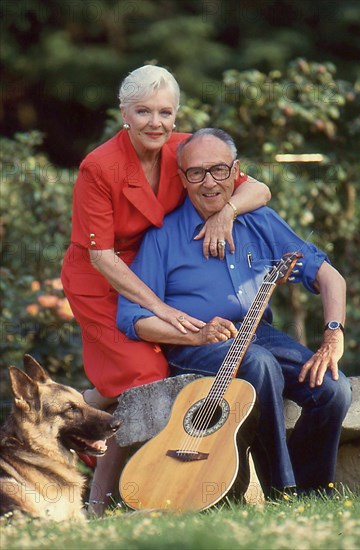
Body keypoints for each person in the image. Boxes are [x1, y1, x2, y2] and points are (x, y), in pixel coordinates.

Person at [61, 66, 270, 513]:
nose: (155, 122)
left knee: (147, 371)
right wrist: (158, 305)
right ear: (124, 114)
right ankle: (98, 498)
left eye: (165, 112)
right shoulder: (98, 167)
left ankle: (67, 412)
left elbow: (261, 189)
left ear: (176, 116)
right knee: (146, 376)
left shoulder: (189, 150)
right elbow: (101, 256)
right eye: (143, 111)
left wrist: (225, 212)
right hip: (101, 279)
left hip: (155, 269)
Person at [117, 128, 352, 498]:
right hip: (197, 343)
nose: (208, 182)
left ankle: (311, 492)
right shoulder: (162, 237)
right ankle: (281, 488)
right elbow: (132, 318)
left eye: (219, 170)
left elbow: (329, 277)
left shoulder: (259, 220)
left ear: (236, 170)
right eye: (196, 173)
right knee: (258, 364)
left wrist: (333, 335)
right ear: (182, 178)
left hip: (260, 332)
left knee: (335, 388)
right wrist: (193, 334)